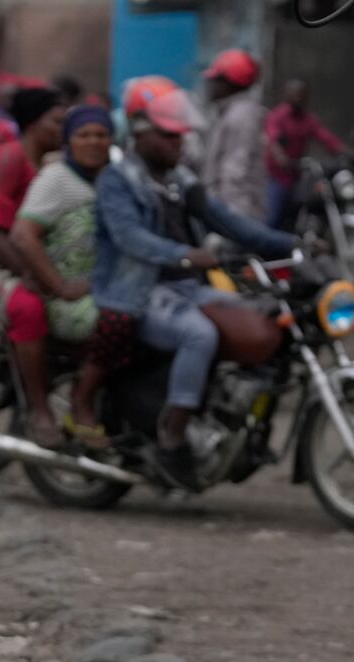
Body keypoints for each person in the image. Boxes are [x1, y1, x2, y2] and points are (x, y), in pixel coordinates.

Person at [94, 87, 297, 490]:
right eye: (168, 136)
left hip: (185, 289)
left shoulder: (180, 180)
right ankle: (172, 437)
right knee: (199, 334)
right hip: (134, 291)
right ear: (139, 133)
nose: (178, 143)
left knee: (259, 314)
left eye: (180, 136)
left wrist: (292, 245)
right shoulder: (116, 180)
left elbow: (232, 223)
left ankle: (235, 423)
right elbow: (130, 238)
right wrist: (185, 254)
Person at [0, 86, 67, 445]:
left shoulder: (51, 165)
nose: (63, 130)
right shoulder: (9, 157)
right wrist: (30, 273)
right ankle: (38, 409)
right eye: (57, 122)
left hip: (24, 261)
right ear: (35, 124)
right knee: (29, 307)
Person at [10, 105, 115, 446]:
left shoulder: (113, 177)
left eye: (101, 135)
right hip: (68, 297)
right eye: (84, 135)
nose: (93, 143)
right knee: (120, 321)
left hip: (102, 286)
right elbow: (23, 235)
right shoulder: (56, 179)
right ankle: (75, 402)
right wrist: (60, 286)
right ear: (69, 141)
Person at [264, 79, 346, 230]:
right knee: (273, 217)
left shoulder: (308, 120)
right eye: (294, 95)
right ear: (286, 95)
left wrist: (342, 150)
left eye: (301, 95)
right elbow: (273, 138)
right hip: (279, 176)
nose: (298, 98)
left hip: (298, 175)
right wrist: (280, 155)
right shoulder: (278, 116)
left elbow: (324, 136)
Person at [201, 49, 267, 222]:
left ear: (229, 83)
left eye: (216, 81)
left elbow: (236, 174)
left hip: (238, 212)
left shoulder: (241, 116)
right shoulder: (229, 112)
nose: (211, 87)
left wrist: (231, 222)